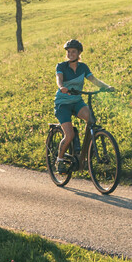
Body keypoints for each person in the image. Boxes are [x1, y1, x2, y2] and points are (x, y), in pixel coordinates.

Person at [53, 39, 113, 174]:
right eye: (68, 52)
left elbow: (94, 80)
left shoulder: (83, 67)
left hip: (77, 101)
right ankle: (60, 160)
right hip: (63, 103)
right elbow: (59, 79)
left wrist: (106, 87)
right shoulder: (61, 66)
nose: (70, 54)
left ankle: (85, 152)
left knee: (91, 120)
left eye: (73, 52)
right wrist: (61, 87)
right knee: (69, 135)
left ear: (79, 53)